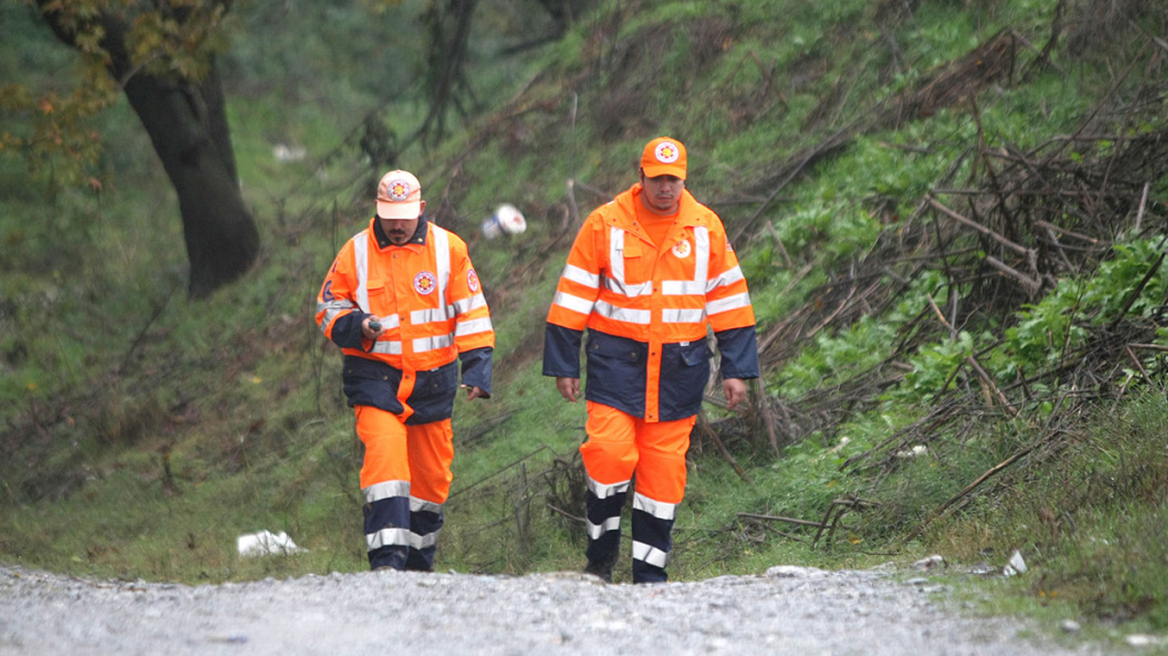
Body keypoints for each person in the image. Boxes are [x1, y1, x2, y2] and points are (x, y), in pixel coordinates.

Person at [543, 136, 759, 584]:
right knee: (608, 454)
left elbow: (731, 302)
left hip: (679, 371)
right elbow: (573, 295)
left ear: (684, 179)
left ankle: (649, 575)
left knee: (663, 473)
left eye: (673, 180)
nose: (666, 188)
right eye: (657, 179)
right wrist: (564, 364)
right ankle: (600, 562)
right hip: (615, 364)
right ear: (640, 177)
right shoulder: (605, 224)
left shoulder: (706, 227)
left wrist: (737, 370)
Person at [316, 170, 494, 572]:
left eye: (405, 215)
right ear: (377, 210)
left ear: (422, 209)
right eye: (389, 214)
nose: (397, 225)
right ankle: (387, 565)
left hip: (434, 382)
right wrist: (356, 325)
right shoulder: (355, 252)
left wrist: (478, 367)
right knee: (386, 464)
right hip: (375, 379)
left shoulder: (449, 249)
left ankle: (417, 568)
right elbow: (327, 307)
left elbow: (472, 312)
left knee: (431, 482)